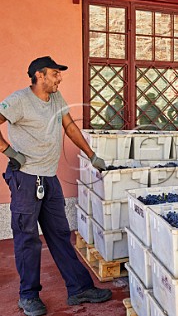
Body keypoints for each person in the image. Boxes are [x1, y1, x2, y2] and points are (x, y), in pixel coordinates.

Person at [0, 56, 110, 316]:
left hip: (49, 179)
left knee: (60, 234)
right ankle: (28, 296)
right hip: (25, 179)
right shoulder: (19, 101)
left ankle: (79, 288)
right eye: (55, 74)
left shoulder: (56, 99)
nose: (59, 78)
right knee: (27, 239)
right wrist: (9, 151)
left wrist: (91, 155)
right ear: (40, 75)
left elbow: (69, 126)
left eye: (59, 74)